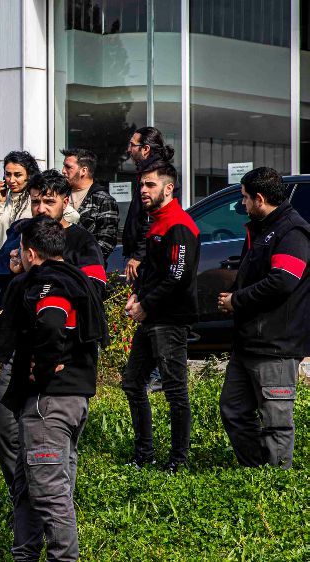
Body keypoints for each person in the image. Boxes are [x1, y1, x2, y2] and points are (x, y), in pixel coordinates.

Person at [0, 170, 105, 518]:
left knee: (55, 437)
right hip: (19, 350)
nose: (42, 207)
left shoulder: (81, 242)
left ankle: (55, 501)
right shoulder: (22, 235)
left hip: (61, 354)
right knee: (5, 427)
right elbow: (13, 294)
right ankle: (26, 497)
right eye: (36, 200)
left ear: (65, 202)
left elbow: (93, 295)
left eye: (50, 200)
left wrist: (50, 280)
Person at [0, 216, 106, 562]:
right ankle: (25, 555)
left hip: (50, 404)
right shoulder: (76, 277)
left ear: (31, 253)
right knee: (29, 488)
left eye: (20, 250)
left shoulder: (50, 283)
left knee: (49, 494)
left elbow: (51, 322)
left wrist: (43, 368)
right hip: (70, 400)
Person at [217, 167, 309, 469]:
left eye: (244, 198)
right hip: (248, 343)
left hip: (276, 345)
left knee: (276, 421)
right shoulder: (261, 228)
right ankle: (256, 473)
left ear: (259, 198)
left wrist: (237, 301)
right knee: (233, 409)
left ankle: (277, 486)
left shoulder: (292, 232)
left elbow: (283, 281)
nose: (242, 204)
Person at [121, 160, 199, 473]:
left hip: (170, 319)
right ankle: (144, 455)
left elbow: (178, 276)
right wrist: (137, 294)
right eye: (141, 185)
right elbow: (153, 270)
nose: (143, 190)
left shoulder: (178, 224)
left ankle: (178, 462)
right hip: (151, 315)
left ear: (168, 188)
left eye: (150, 185)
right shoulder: (155, 220)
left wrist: (146, 305)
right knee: (132, 383)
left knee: (174, 390)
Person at [0, 151, 79, 248]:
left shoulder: (37, 199)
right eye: (8, 174)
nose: (11, 180)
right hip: (5, 261)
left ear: (29, 175)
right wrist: (0, 202)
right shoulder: (6, 199)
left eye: (18, 175)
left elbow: (73, 216)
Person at [123, 126, 177, 282]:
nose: (129, 150)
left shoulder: (158, 174)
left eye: (132, 145)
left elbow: (153, 218)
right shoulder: (146, 172)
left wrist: (139, 255)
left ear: (145, 149)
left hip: (151, 255)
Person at [60, 148, 119, 263]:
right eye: (64, 166)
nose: (63, 171)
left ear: (83, 171)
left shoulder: (103, 200)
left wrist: (84, 262)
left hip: (87, 269)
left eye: (68, 167)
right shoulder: (60, 194)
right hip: (58, 266)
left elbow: (107, 242)